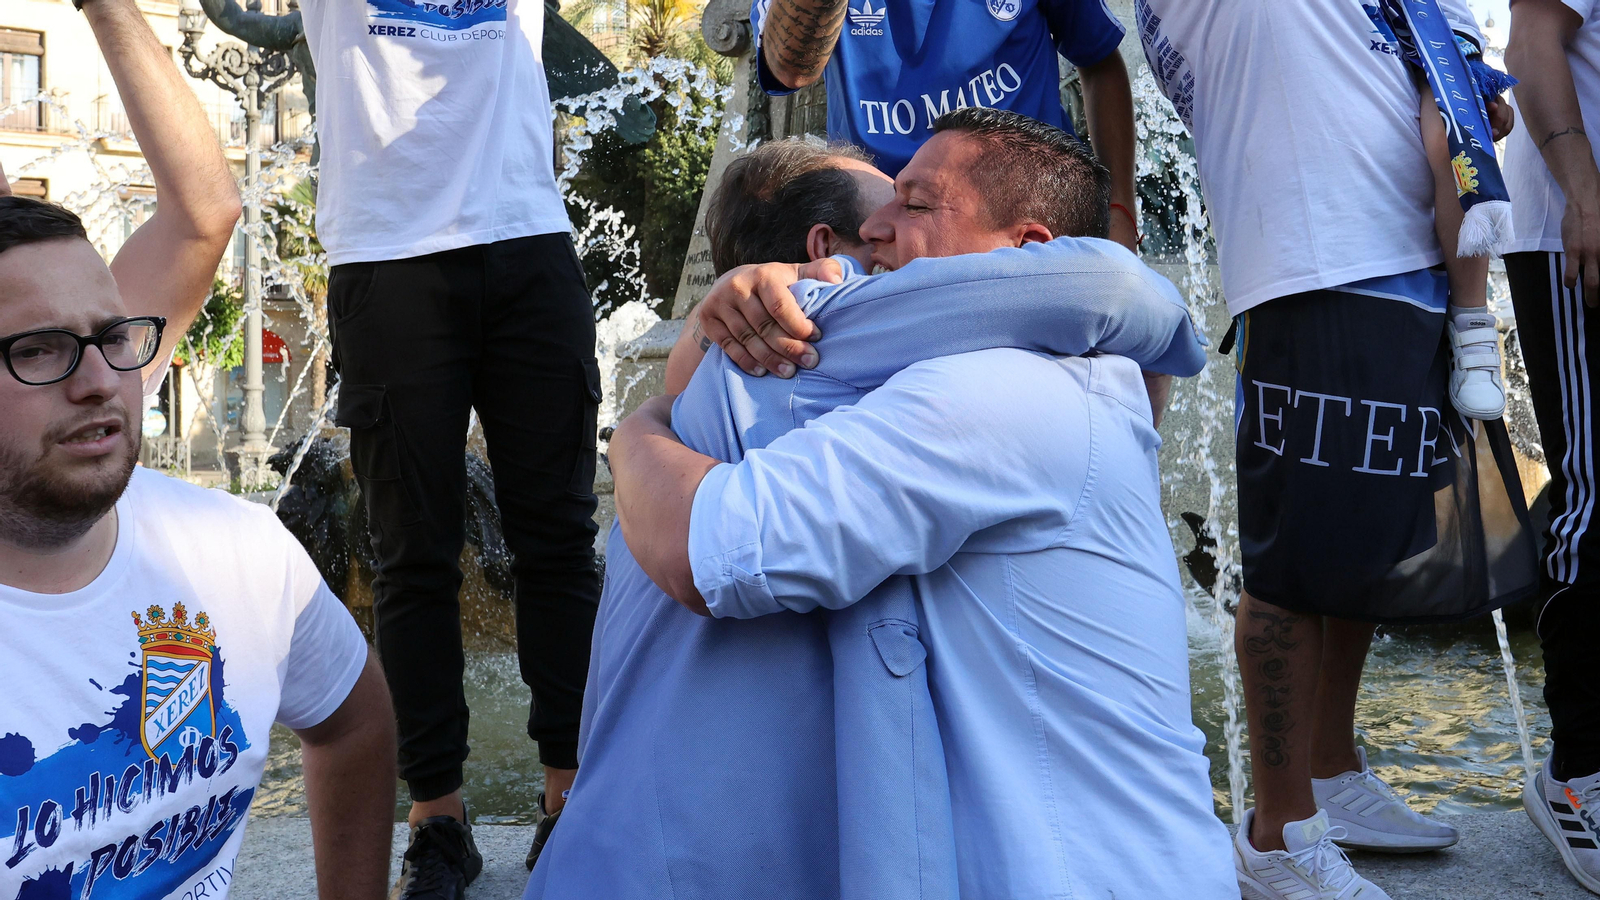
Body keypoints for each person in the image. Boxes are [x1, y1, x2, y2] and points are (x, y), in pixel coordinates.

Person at [525, 110, 1235, 900]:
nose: (880, 228)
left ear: (1029, 258)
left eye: (916, 205)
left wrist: (635, 434)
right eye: (882, 205)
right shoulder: (1073, 370)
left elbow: (704, 548)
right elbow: (1133, 311)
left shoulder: (995, 392)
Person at [1135, 2, 1537, 898]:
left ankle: (1328, 769)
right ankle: (1277, 834)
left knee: (1367, 541)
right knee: (1291, 564)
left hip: (1414, 263)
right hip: (1317, 265)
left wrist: (1473, 109)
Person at [0, 2, 396, 897]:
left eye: (114, 337)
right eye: (38, 350)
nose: (102, 380)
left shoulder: (238, 555)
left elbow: (353, 719)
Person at [291, 0, 606, 891]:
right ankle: (438, 820)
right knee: (410, 554)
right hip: (388, 254)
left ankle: (570, 799)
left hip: (531, 246)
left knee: (558, 541)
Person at [751, 0, 1142, 253]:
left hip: (1034, 225)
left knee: (1138, 352)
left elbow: (1099, 59)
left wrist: (1120, 210)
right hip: (890, 237)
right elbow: (790, 69)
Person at [1501, 0, 1600, 892]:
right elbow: (1530, 37)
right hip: (1578, 235)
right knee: (1596, 494)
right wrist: (1586, 191)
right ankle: (1578, 771)